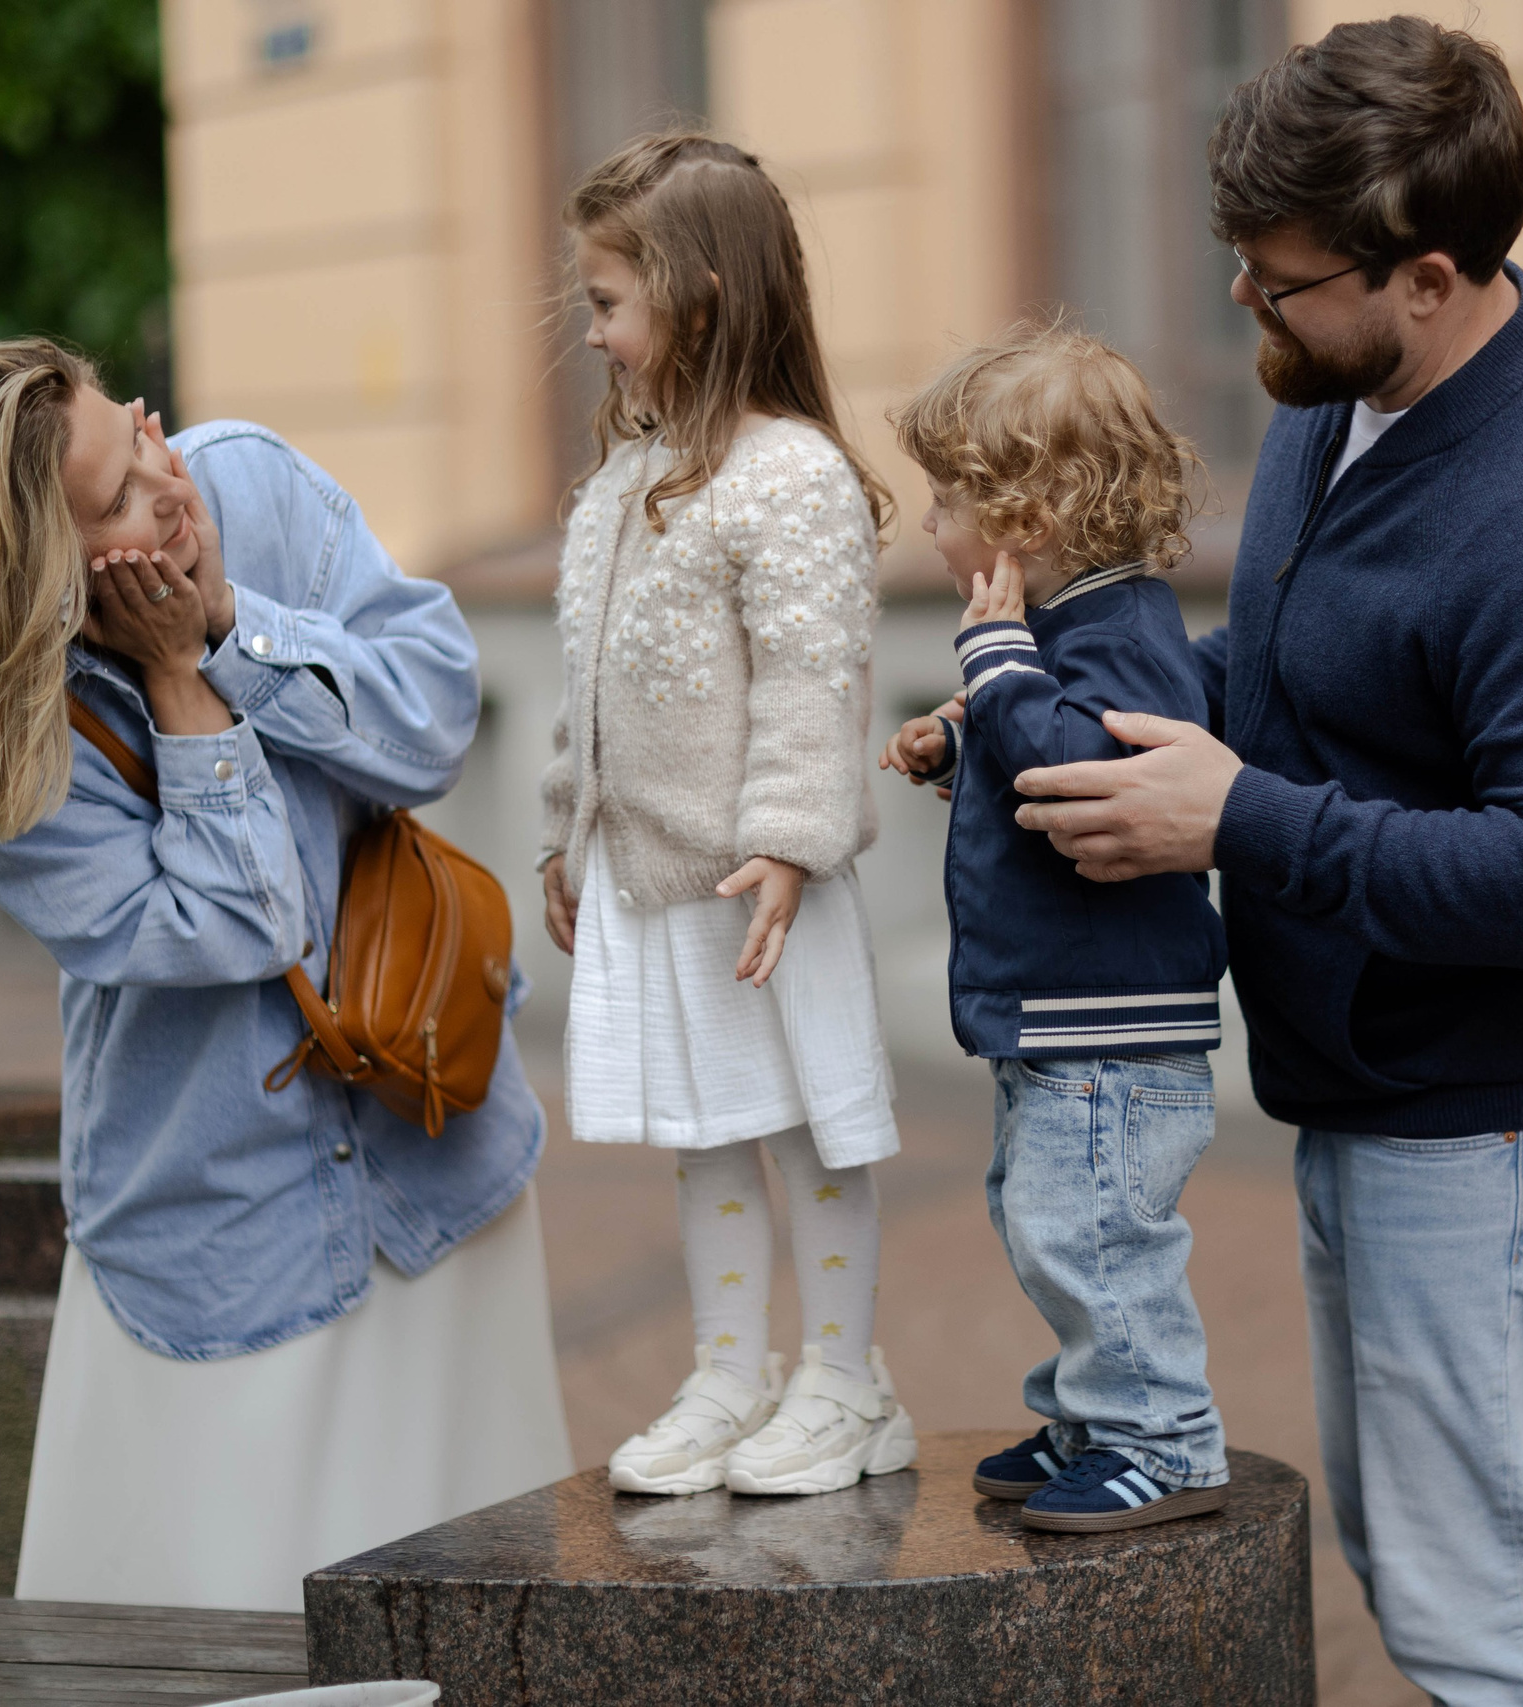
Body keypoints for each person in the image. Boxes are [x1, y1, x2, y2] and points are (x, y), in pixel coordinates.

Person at [1008, 19, 1523, 1703]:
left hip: (1515, 1144)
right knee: (1431, 1583)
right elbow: (1309, 685)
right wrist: (1044, 710)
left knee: (1498, 1627)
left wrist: (1234, 819)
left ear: (1431, 274)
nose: (1249, 302)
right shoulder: (1346, 399)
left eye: (1285, 276)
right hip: (1402, 1115)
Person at [0, 338, 571, 1613]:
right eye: (117, 500)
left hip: (433, 1146)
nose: (168, 487)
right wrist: (179, 683)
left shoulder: (249, 487)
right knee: (229, 1639)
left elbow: (436, 719)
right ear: (41, 578)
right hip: (223, 1223)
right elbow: (242, 925)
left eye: (139, 431)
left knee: (491, 1617)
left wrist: (231, 623)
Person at [538, 132, 914, 1499]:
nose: (595, 334)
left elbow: (816, 675)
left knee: (809, 1125)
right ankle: (727, 1370)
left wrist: (795, 839)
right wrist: (564, 826)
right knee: (705, 1127)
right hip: (654, 877)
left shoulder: (790, 474)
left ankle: (843, 1380)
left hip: (766, 882)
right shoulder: (622, 485)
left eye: (608, 303)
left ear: (696, 300)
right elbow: (586, 681)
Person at [879, 324, 1231, 1533]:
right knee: (1048, 1225)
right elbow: (1035, 736)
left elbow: (1081, 764)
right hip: (1062, 1014)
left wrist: (997, 671)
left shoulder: (1120, 631)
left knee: (1092, 1232)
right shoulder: (1072, 634)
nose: (929, 525)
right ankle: (1094, 1414)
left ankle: (1162, 1440)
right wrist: (965, 729)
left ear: (1025, 520)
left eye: (946, 499)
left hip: (1111, 1027)